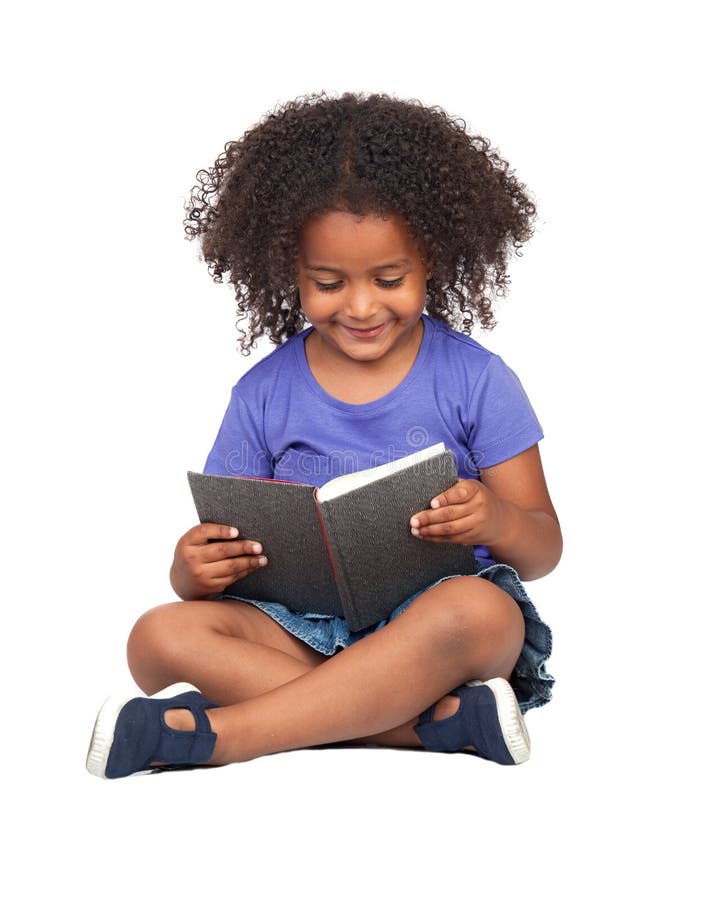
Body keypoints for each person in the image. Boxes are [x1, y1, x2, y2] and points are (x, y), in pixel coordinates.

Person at [86, 92, 561, 779]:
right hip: (299, 632)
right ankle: (423, 727)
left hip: (435, 633)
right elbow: (226, 548)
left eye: (390, 279)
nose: (362, 306)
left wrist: (494, 516)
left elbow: (544, 547)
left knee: (481, 612)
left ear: (433, 259)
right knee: (156, 636)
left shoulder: (478, 380)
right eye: (329, 282)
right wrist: (191, 571)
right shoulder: (264, 392)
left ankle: (220, 737)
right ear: (291, 272)